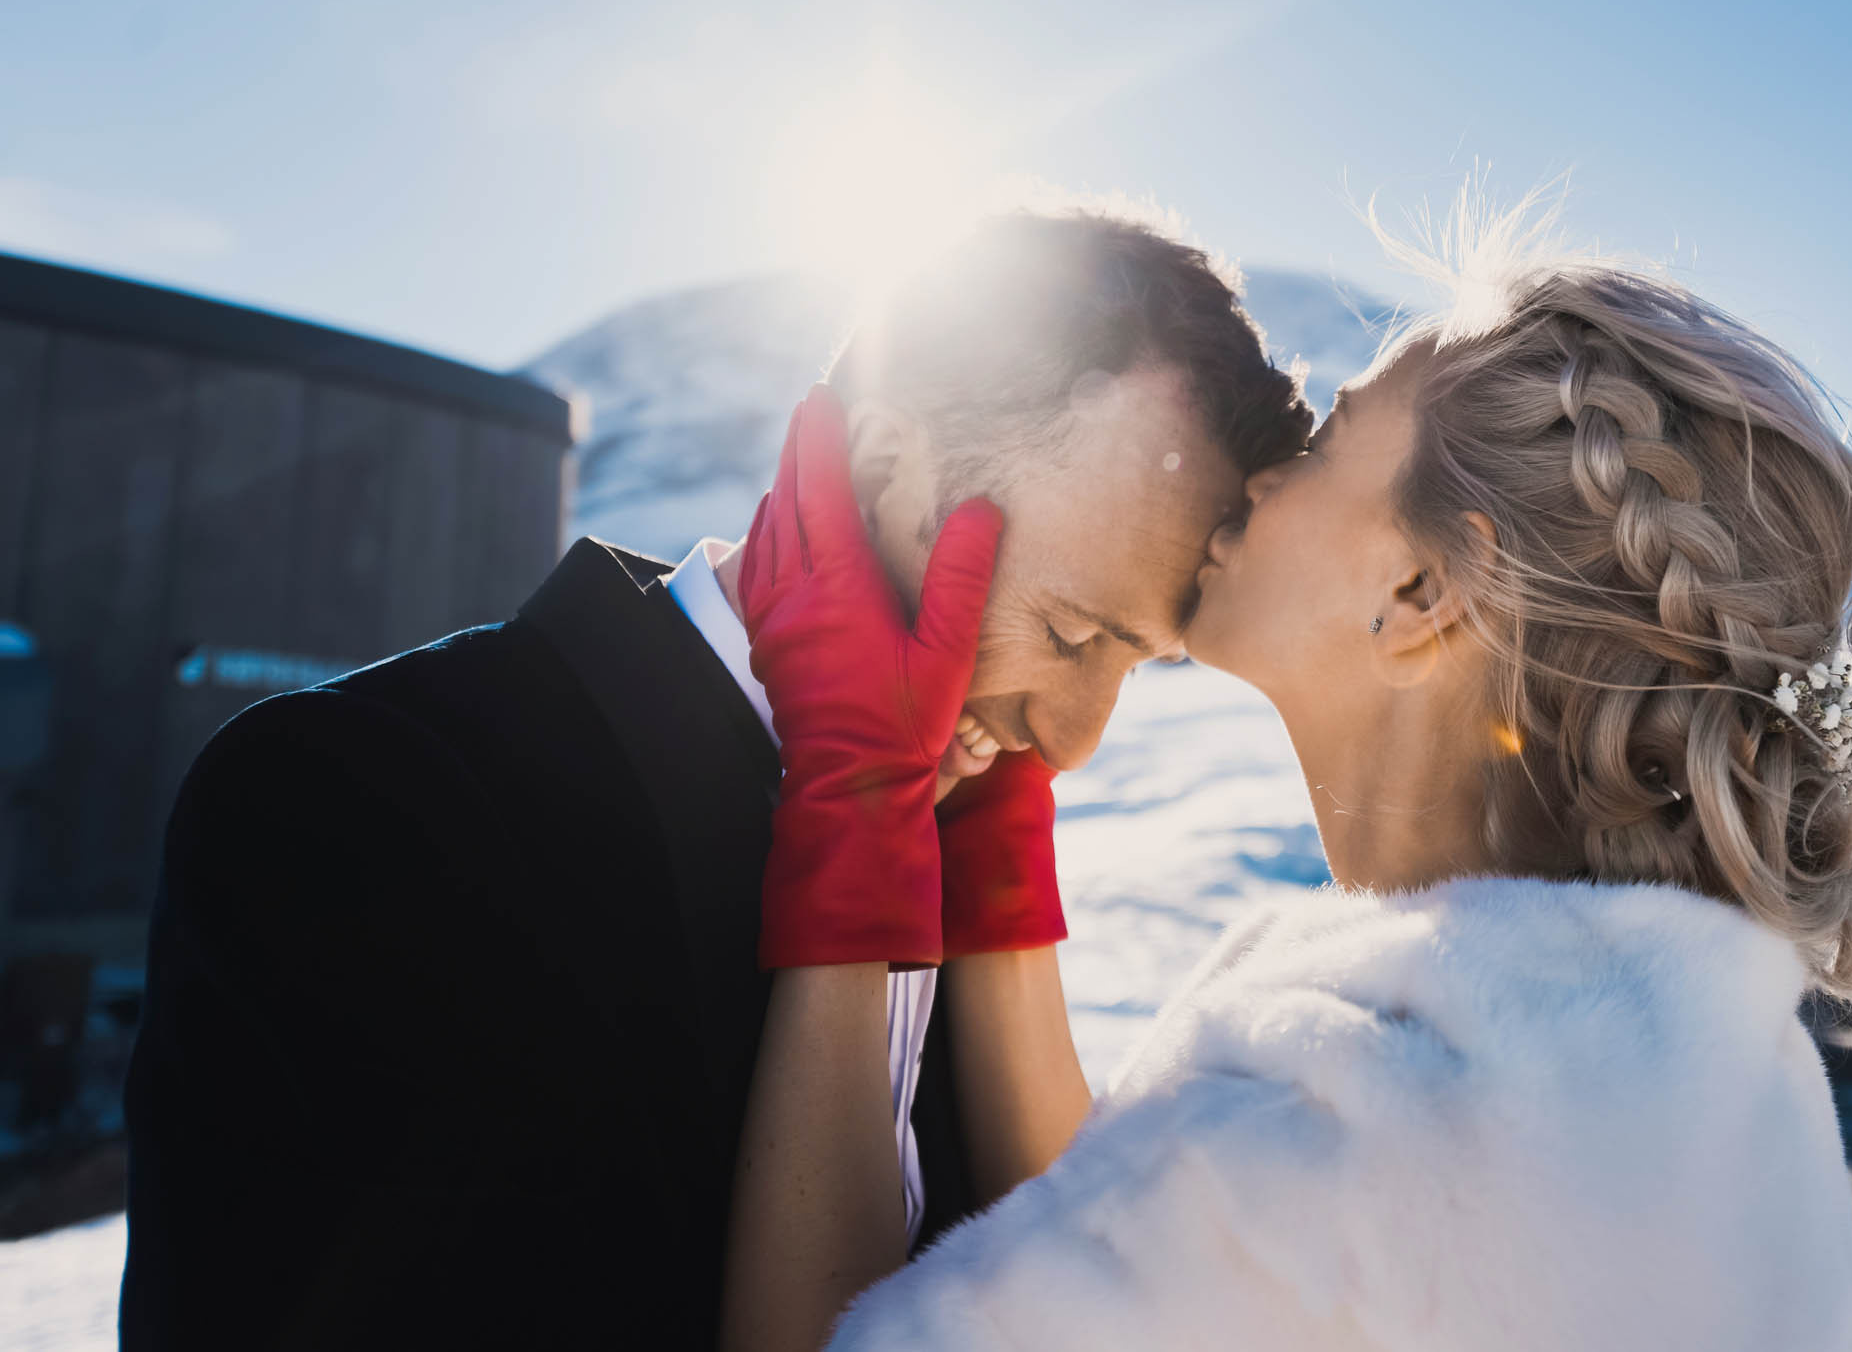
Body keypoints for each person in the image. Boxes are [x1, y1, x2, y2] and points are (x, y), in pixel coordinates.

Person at [724, 200, 1852, 1351]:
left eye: (1335, 438)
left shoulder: (1321, 1133)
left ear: (1418, 594)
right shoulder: (1729, 1092)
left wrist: (858, 807)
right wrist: (999, 840)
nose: (1260, 476)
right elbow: (1079, 1262)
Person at [117, 210, 1312, 1349]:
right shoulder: (365, 796)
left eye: (1134, 662)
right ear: (889, 464)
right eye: (1068, 632)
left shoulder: (961, 831)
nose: (1078, 737)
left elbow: (1067, 1290)